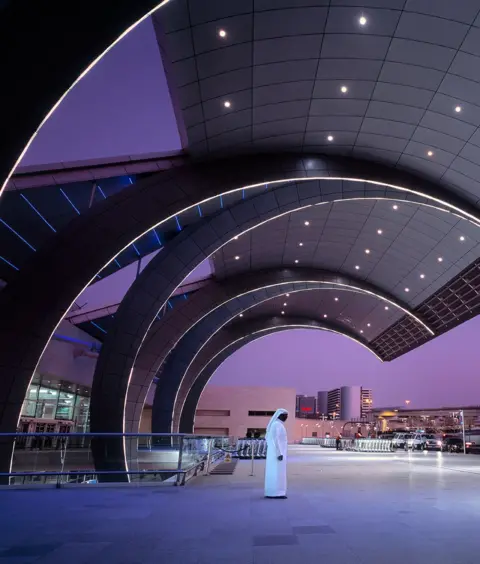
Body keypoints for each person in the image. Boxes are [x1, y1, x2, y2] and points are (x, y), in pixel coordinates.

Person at [264, 408, 288, 499]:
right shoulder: (276, 425)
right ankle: (276, 492)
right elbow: (275, 440)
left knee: (277, 472)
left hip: (277, 453)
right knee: (276, 473)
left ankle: (277, 492)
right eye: (285, 416)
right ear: (280, 415)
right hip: (277, 454)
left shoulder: (278, 425)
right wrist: (279, 453)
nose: (286, 418)